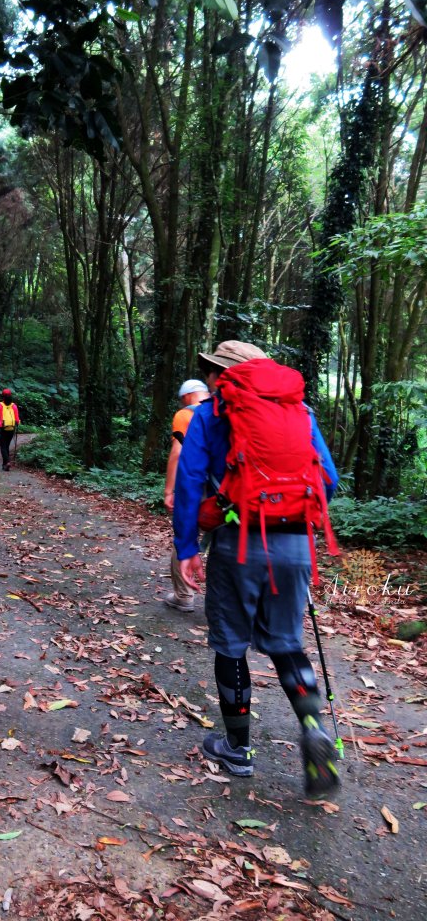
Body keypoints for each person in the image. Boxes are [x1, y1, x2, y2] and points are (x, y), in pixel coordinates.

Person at [173, 340, 341, 797]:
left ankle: (237, 749)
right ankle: (312, 727)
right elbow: (330, 478)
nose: (209, 377)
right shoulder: (299, 412)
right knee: (288, 644)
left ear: (222, 374)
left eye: (212, 370)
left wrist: (187, 545)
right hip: (294, 545)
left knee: (230, 645)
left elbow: (189, 481)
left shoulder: (210, 414)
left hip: (238, 542)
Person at [163, 378, 210, 612]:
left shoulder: (186, 413)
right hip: (223, 490)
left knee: (185, 534)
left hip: (196, 486)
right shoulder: (223, 409)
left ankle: (184, 595)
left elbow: (178, 453)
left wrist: (169, 490)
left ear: (186, 395)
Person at [0, 388, 20, 472]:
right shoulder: (14, 406)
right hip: (11, 428)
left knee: (3, 447)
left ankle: (7, 462)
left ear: (2, 397)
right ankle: (5, 465)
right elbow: (17, 419)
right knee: (7, 446)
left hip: (2, 428)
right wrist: (17, 424)